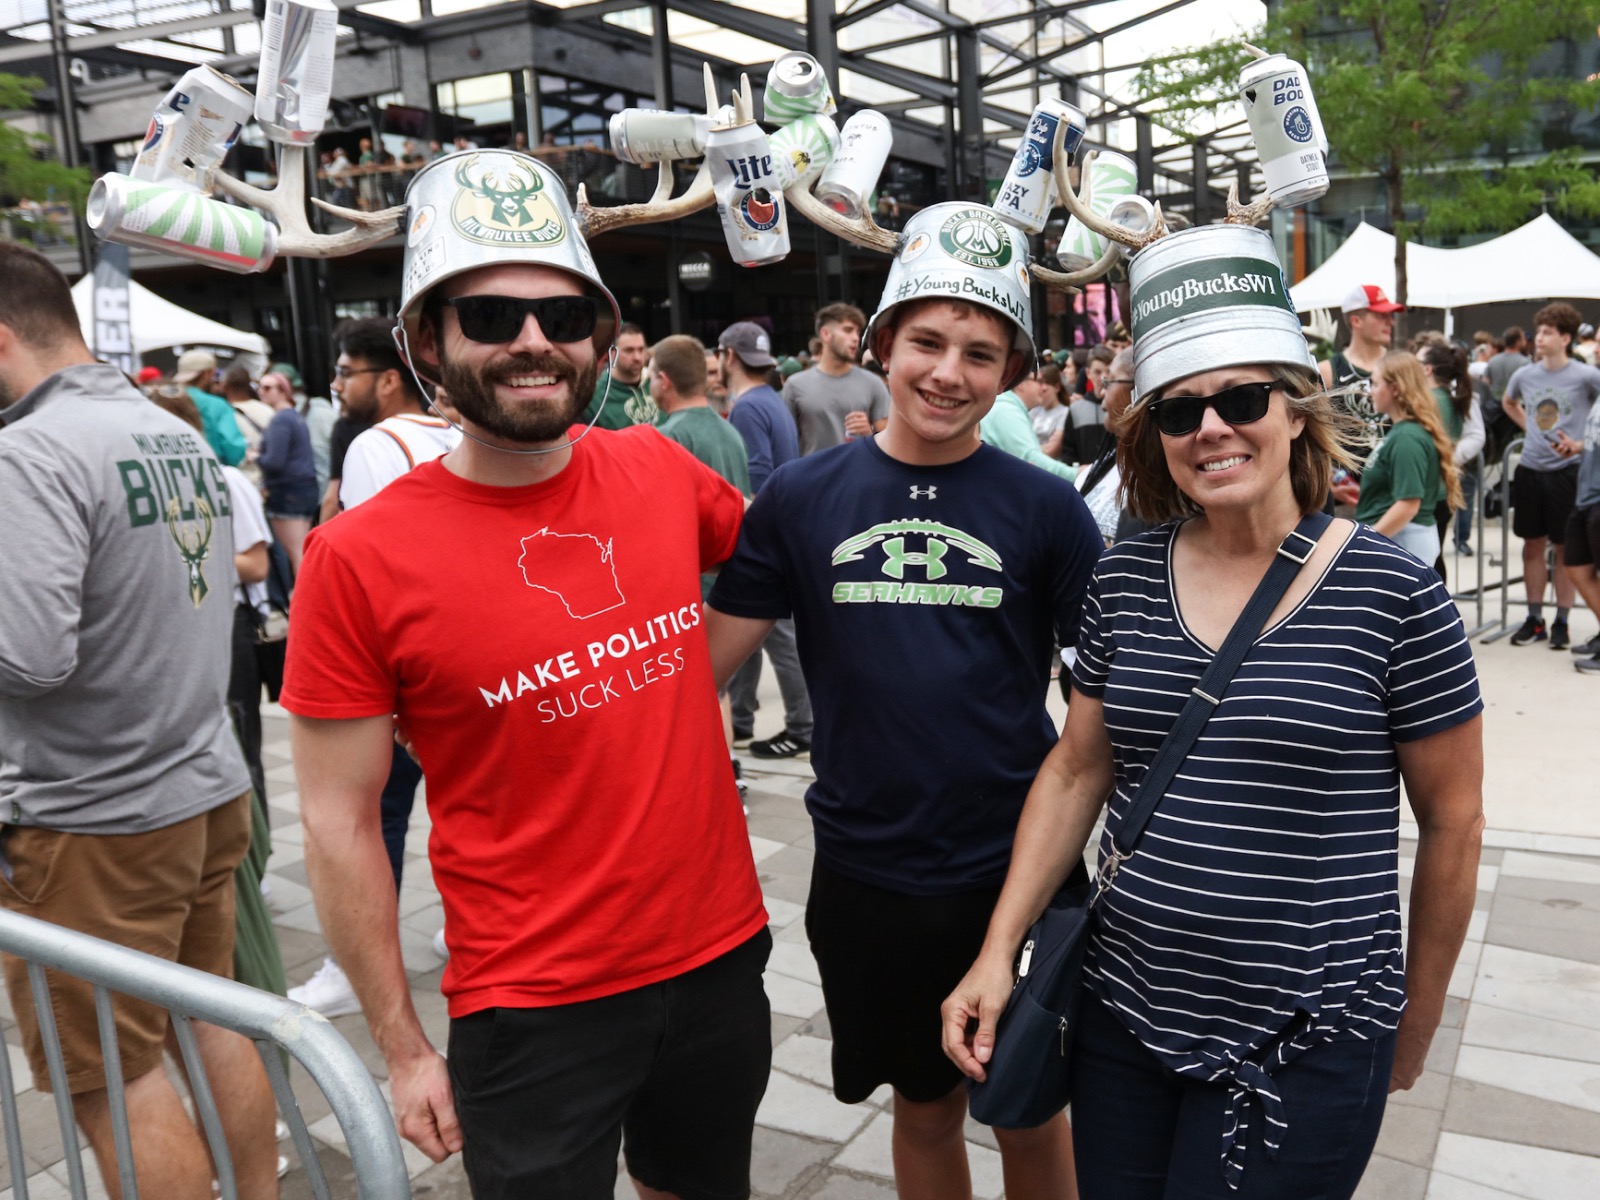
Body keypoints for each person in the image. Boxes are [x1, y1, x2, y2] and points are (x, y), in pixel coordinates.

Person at [943, 225, 1484, 1200]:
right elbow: (1075, 769)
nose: (1210, 428)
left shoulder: (1392, 594)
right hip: (1124, 1011)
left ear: (1294, 413)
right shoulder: (1126, 576)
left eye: (1240, 400)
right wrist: (996, 954)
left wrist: (1419, 1011)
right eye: (1180, 410)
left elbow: (1452, 820)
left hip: (1308, 1034)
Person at [280, 150, 770, 1198]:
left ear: (598, 336)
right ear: (427, 341)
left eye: (561, 316)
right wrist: (403, 1045)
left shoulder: (656, 469)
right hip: (531, 1001)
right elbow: (335, 822)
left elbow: (774, 569)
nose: (533, 343)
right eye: (492, 318)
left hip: (719, 955)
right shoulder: (354, 560)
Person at [707, 204, 1104, 1200]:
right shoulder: (801, 498)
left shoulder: (1045, 508)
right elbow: (704, 665)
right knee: (922, 1109)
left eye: (980, 352)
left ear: (1011, 372)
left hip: (1013, 865)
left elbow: (1097, 714)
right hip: (865, 874)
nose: (947, 372)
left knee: (1026, 1106)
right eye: (926, 341)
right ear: (879, 343)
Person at [0, 243, 278, 1200]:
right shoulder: (167, 430)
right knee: (206, 1022)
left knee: (113, 1078)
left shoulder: (26, 451)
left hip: (92, 818)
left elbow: (28, 656)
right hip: (201, 786)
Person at [288, 323, 462, 1018]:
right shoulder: (450, 435)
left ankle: (354, 966)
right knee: (457, 807)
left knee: (369, 821)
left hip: (403, 675)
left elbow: (369, 575)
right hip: (467, 664)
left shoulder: (373, 445)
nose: (336, 384)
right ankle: (460, 929)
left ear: (389, 378)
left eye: (346, 370)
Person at [718, 320, 813, 759]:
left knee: (778, 636)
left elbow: (754, 478)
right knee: (759, 636)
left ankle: (802, 723)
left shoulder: (748, 408)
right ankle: (740, 718)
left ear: (728, 357)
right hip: (783, 529)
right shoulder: (770, 400)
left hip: (764, 536)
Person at [1501, 303, 1600, 650]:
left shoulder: (1586, 375)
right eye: (1538, 331)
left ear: (1566, 338)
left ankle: (1562, 620)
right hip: (1530, 467)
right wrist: (1528, 428)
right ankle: (1534, 618)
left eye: (1546, 332)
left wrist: (1581, 443)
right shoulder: (1525, 375)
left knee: (1564, 549)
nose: (1538, 337)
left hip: (1566, 472)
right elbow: (1508, 402)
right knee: (1531, 545)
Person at [1354, 351, 1463, 566]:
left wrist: (1366, 542)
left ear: (1395, 389)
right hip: (1399, 538)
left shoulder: (1407, 437)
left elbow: (1408, 505)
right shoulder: (1404, 432)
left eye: (1376, 384)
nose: (1371, 392)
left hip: (1401, 541)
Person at [783, 302, 891, 454]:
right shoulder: (794, 385)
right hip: (814, 476)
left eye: (857, 332)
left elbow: (890, 441)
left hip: (859, 474)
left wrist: (869, 433)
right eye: (848, 330)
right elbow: (785, 442)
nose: (855, 338)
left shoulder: (873, 383)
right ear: (825, 334)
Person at [1417, 342, 1484, 558]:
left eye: (1416, 362)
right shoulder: (1454, 399)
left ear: (1428, 369)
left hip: (1425, 492)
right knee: (1433, 558)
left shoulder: (1427, 402)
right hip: (1443, 489)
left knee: (1426, 561)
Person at [1320, 283, 1402, 458]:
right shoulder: (1328, 371)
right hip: (1344, 480)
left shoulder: (1400, 367)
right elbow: (1319, 438)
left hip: (1392, 479)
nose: (1390, 321)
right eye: (1381, 315)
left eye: (1390, 315)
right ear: (1356, 321)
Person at [256, 368, 319, 572]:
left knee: (297, 554)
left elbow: (274, 462)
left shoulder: (281, 419)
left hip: (287, 490)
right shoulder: (294, 416)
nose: (261, 391)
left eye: (267, 387)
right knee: (302, 551)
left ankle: (308, 601)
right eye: (259, 386)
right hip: (305, 488)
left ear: (283, 391)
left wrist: (255, 457)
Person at [978, 366, 1077, 481]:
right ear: (1020, 383)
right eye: (1039, 381)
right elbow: (1030, 459)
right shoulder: (1006, 411)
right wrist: (1075, 474)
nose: (1042, 387)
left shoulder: (1009, 408)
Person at [172, 348, 248, 466]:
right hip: (212, 472)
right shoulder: (217, 405)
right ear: (207, 374)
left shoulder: (165, 401)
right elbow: (233, 449)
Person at [579, 321, 654, 428]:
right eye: (629, 350)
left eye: (641, 349)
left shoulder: (657, 384)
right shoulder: (596, 397)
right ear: (613, 353)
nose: (637, 357)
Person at [1482, 325, 1530, 461]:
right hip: (1517, 410)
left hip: (1494, 411)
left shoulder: (1493, 360)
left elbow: (1486, 383)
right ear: (1518, 341)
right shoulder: (1525, 363)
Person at [224, 365, 275, 487]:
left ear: (225, 387)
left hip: (239, 483)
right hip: (267, 482)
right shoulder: (267, 410)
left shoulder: (224, 413)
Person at [1029, 363, 1069, 447]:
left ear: (1056, 388)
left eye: (1044, 391)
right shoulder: (1034, 411)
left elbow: (1053, 446)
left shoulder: (1064, 413)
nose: (1040, 394)